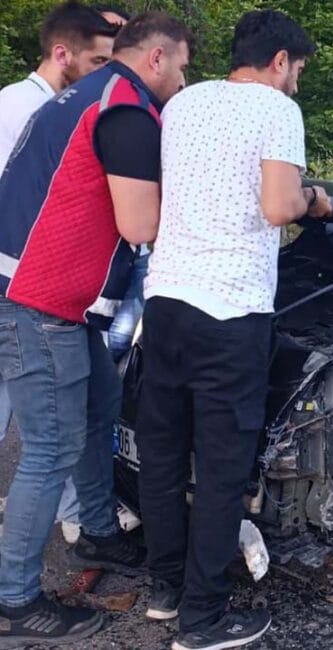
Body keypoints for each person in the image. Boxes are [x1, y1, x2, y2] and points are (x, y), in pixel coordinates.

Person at [137, 10, 331, 650]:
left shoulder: (184, 103)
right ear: (279, 61)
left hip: (166, 302)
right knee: (221, 470)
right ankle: (203, 621)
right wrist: (314, 200)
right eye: (297, 70)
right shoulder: (277, 109)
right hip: (231, 312)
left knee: (164, 456)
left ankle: (166, 591)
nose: (296, 82)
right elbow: (278, 206)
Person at [0, 11, 193, 647]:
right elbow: (141, 226)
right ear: (157, 58)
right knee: (49, 449)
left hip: (60, 300)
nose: (183, 80)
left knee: (97, 410)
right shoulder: (125, 108)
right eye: (182, 66)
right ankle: (15, 602)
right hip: (36, 300)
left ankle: (100, 534)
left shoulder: (84, 94)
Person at [0, 1, 118, 545]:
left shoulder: (60, 105)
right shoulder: (19, 107)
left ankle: (87, 520)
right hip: (23, 286)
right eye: (99, 63)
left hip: (50, 290)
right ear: (63, 53)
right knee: (42, 437)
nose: (106, 76)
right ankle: (22, 574)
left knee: (79, 412)